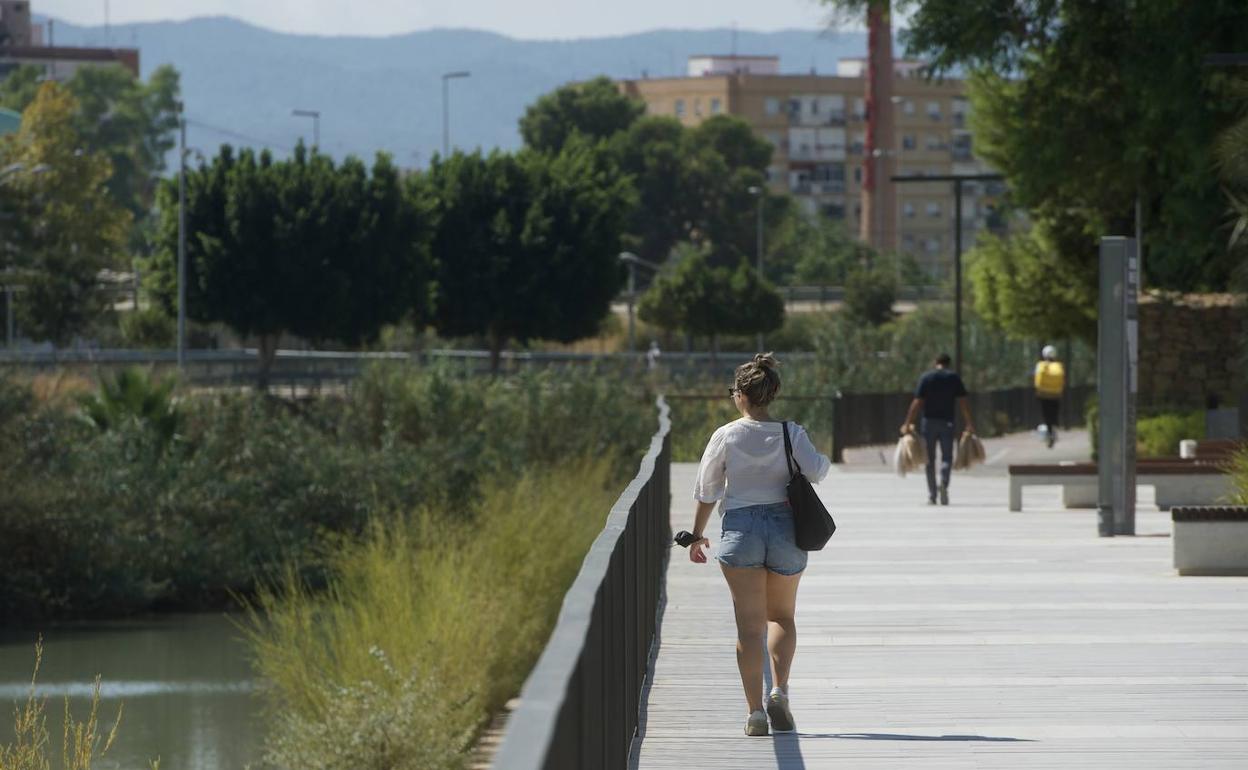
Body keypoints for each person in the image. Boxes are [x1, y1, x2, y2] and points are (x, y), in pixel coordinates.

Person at [688, 353, 831, 737]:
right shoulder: (791, 433)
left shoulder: (726, 435)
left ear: (740, 395)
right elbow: (817, 470)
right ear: (773, 393)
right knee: (781, 617)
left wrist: (697, 534)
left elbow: (707, 490)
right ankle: (780, 691)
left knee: (749, 629)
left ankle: (754, 714)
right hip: (786, 528)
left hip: (741, 530)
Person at [901, 353, 975, 505]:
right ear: (949, 363)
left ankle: (932, 495)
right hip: (947, 422)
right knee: (947, 458)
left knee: (929, 459)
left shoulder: (927, 378)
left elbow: (917, 403)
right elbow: (963, 403)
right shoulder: (953, 378)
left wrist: (908, 422)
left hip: (928, 423)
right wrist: (969, 422)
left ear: (936, 362)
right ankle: (944, 483)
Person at [1034, 344, 1065, 449]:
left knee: (1046, 414)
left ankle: (1049, 431)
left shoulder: (1041, 365)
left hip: (1044, 394)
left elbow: (1037, 381)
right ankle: (1053, 430)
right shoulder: (1058, 366)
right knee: (1054, 413)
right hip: (1056, 394)